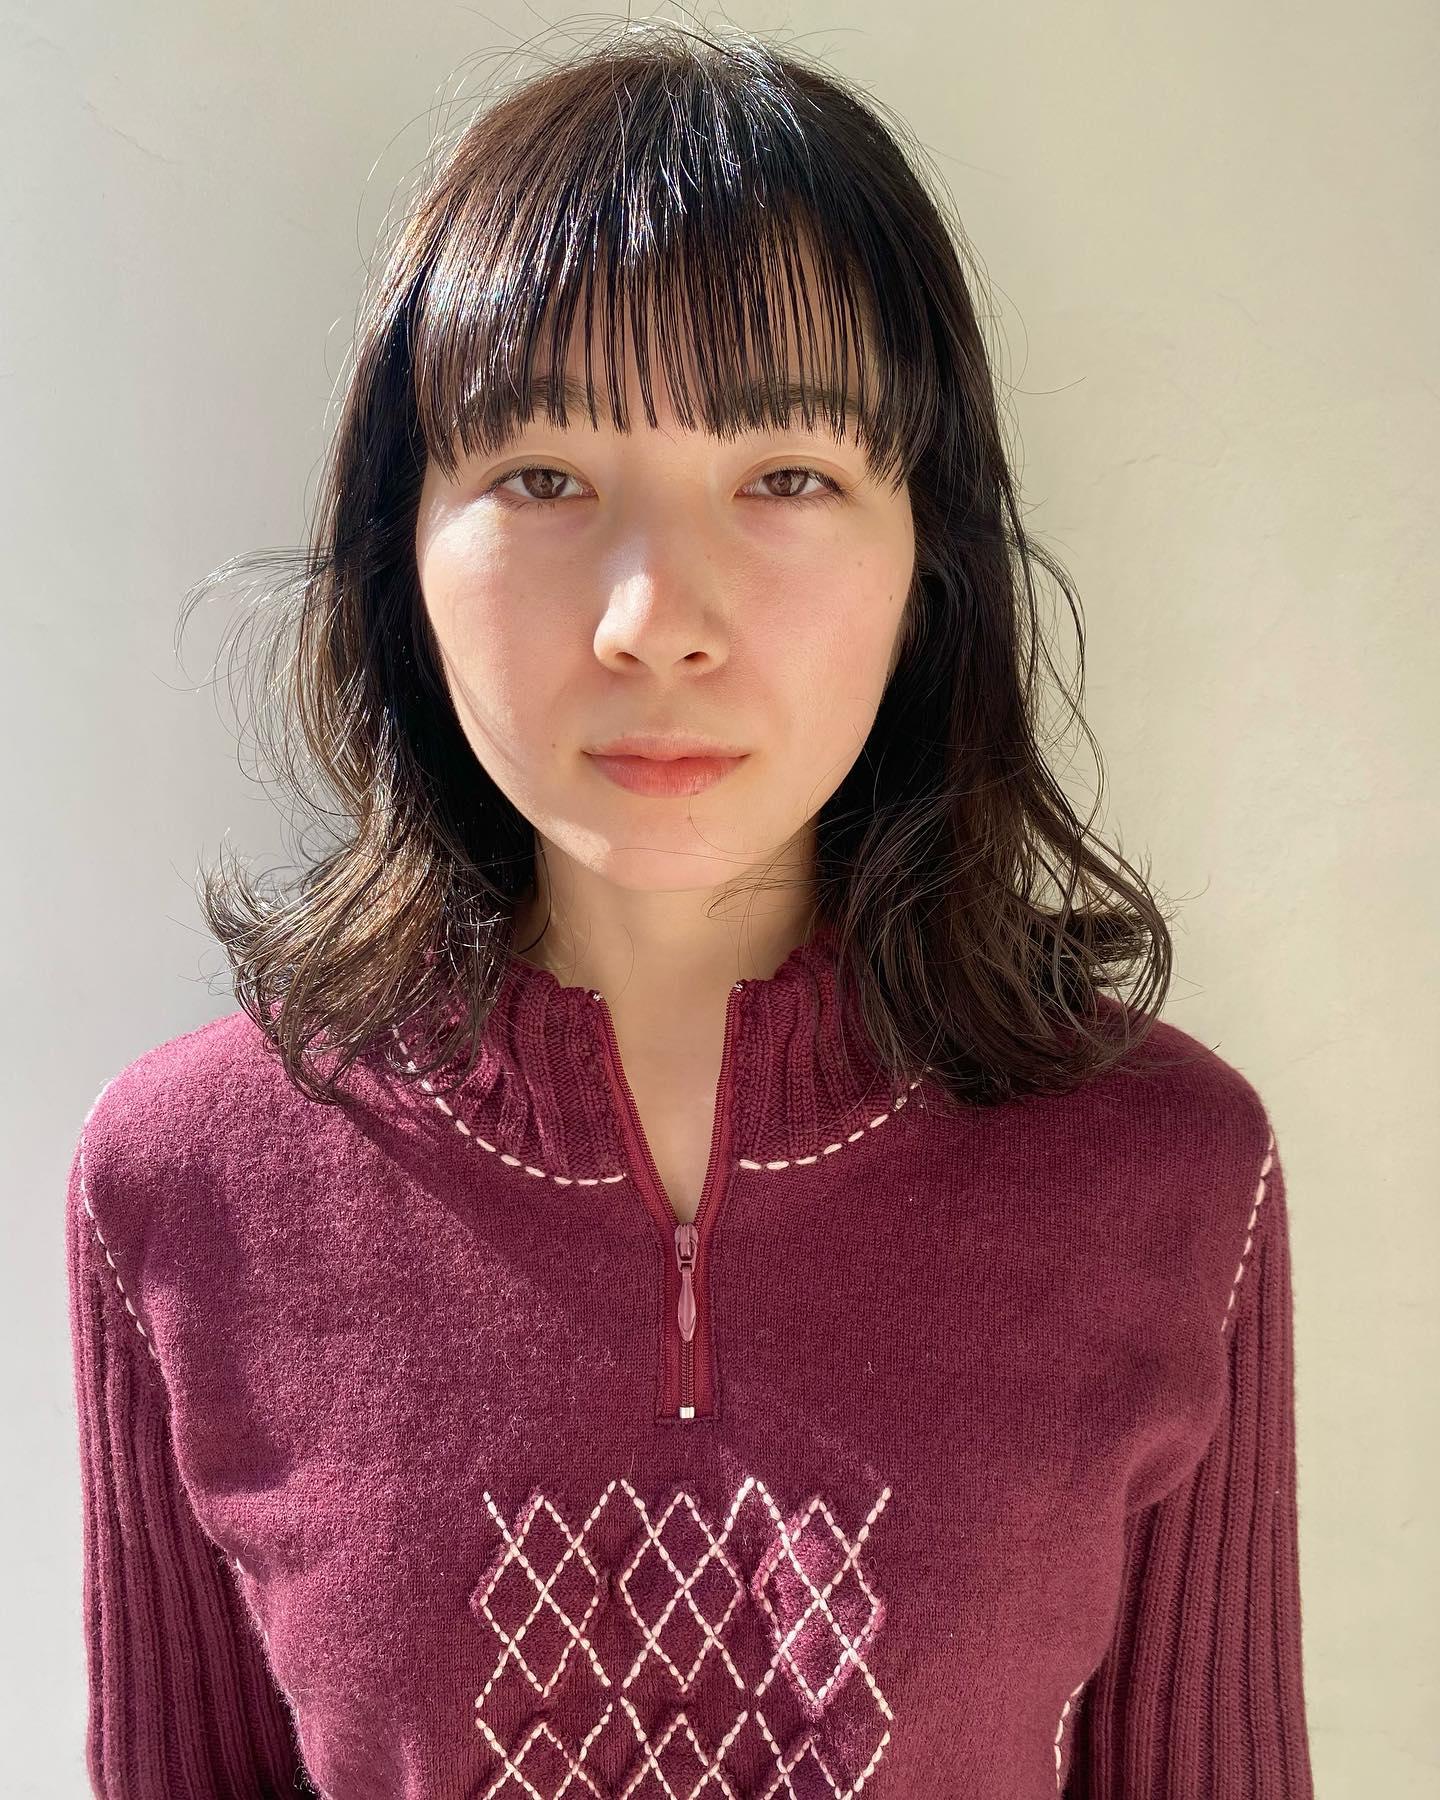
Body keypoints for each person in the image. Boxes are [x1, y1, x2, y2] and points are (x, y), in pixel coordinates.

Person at [64, 21, 1316, 1799]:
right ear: (400, 546)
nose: (655, 618)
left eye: (785, 477)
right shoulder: (181, 1188)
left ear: (929, 562)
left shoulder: (1173, 1172)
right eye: (544, 478)